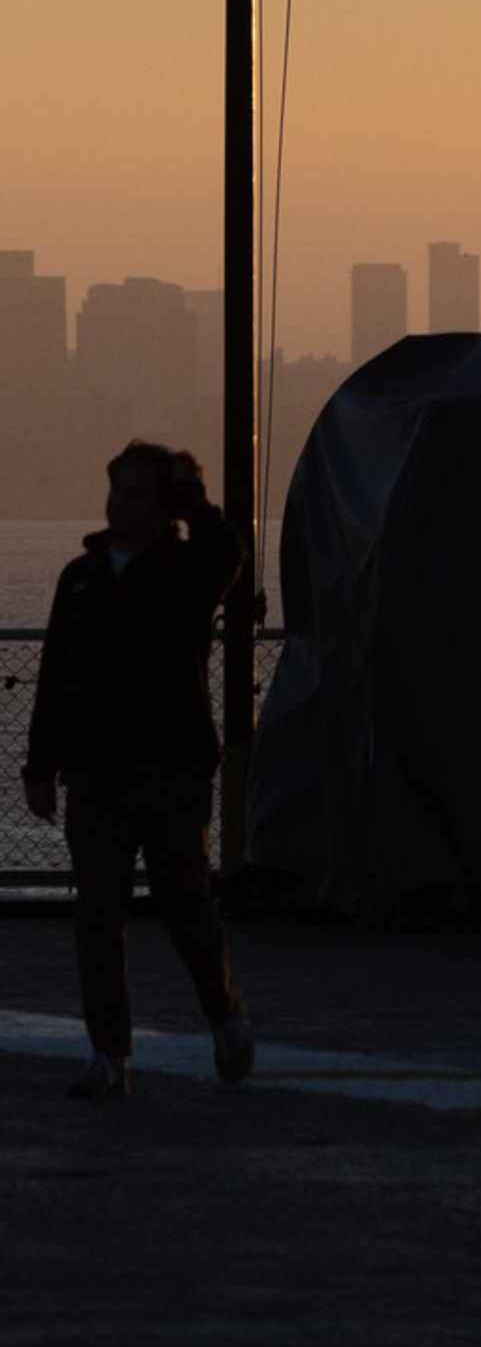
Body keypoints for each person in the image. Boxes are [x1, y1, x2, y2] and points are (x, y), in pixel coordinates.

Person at [22, 444, 254, 1101]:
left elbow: (227, 554)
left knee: (184, 905)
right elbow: (55, 676)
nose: (117, 504)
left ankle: (223, 1012)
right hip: (95, 774)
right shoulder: (80, 577)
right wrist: (40, 767)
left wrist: (195, 501)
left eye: (133, 494)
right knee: (97, 915)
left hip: (171, 770)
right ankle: (109, 1055)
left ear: (161, 505)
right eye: (115, 491)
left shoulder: (186, 570)